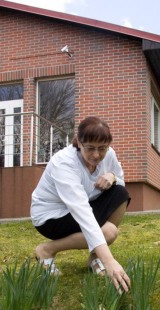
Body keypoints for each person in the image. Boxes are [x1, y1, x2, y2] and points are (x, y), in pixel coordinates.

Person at [30, 116, 131, 293]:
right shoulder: (64, 163)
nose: (96, 155)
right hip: (51, 218)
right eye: (90, 148)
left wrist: (113, 177)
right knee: (108, 233)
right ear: (79, 143)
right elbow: (82, 212)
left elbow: (121, 181)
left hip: (82, 207)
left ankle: (94, 258)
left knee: (120, 193)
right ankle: (46, 250)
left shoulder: (109, 155)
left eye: (102, 149)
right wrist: (109, 260)